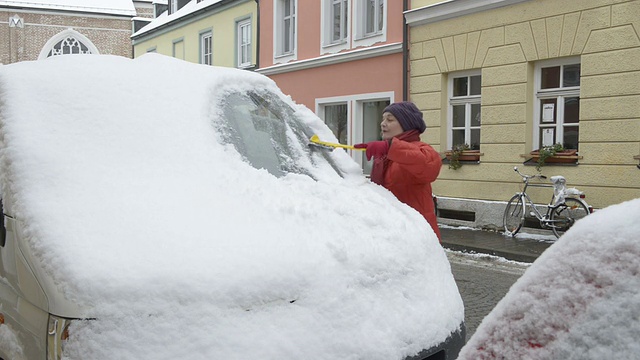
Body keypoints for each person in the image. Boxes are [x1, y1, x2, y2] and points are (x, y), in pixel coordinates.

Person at [354, 101, 442, 240]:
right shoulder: (385, 156)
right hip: (390, 231)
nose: (383, 123)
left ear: (406, 124)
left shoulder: (421, 149)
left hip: (416, 233)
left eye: (390, 119)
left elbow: (429, 165)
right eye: (383, 119)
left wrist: (390, 147)